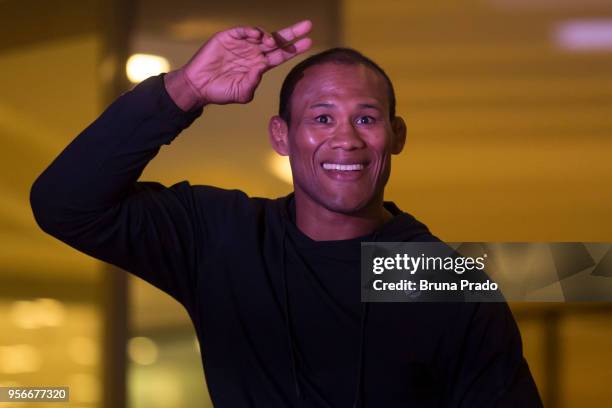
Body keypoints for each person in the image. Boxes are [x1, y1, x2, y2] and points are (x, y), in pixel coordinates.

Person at [30, 19, 542, 407]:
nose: (346, 138)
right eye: (321, 118)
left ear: (396, 136)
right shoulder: (222, 238)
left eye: (366, 118)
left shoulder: (439, 279)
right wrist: (184, 87)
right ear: (282, 136)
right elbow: (64, 203)